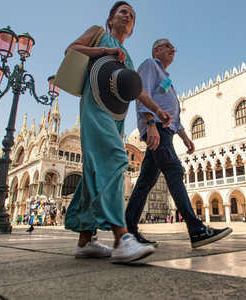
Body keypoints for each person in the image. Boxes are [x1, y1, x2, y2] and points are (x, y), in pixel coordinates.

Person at [64, 2, 172, 263]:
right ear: (110, 20)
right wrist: (105, 50)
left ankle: (85, 241)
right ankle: (122, 238)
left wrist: (157, 110)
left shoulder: (129, 57)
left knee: (93, 171)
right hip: (95, 108)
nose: (127, 16)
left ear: (132, 29)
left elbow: (138, 91)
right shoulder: (98, 34)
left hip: (117, 116)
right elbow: (71, 50)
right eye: (122, 12)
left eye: (132, 16)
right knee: (115, 158)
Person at [124, 38, 232, 248]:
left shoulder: (167, 79)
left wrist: (184, 136)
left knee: (145, 181)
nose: (173, 49)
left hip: (166, 131)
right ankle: (196, 229)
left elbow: (172, 110)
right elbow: (141, 92)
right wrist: (151, 123)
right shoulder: (150, 65)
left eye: (174, 47)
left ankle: (128, 232)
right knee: (174, 172)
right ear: (156, 50)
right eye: (167, 45)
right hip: (157, 129)